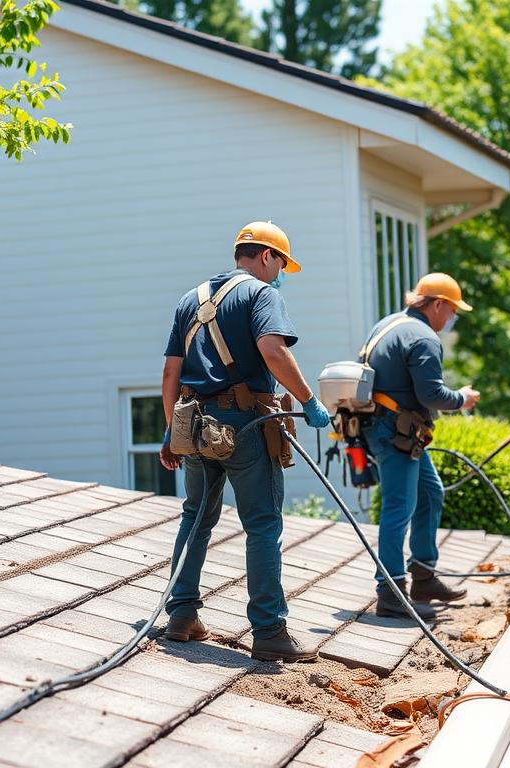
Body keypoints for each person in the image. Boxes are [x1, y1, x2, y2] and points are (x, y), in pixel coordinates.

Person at [157, 220, 332, 661]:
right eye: (280, 265)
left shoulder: (190, 299)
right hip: (245, 425)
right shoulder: (261, 294)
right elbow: (274, 351)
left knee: (195, 517)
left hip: (195, 423)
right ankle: (270, 633)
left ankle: (181, 616)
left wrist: (171, 432)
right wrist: (309, 400)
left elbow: (169, 374)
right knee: (263, 525)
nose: (279, 275)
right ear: (267, 256)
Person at [360, 273, 480, 620]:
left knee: (430, 493)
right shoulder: (424, 337)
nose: (451, 319)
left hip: (387, 427)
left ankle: (423, 576)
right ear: (439, 304)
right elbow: (431, 394)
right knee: (399, 508)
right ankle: (390, 591)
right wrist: (463, 398)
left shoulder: (389, 324)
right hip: (395, 431)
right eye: (453, 311)